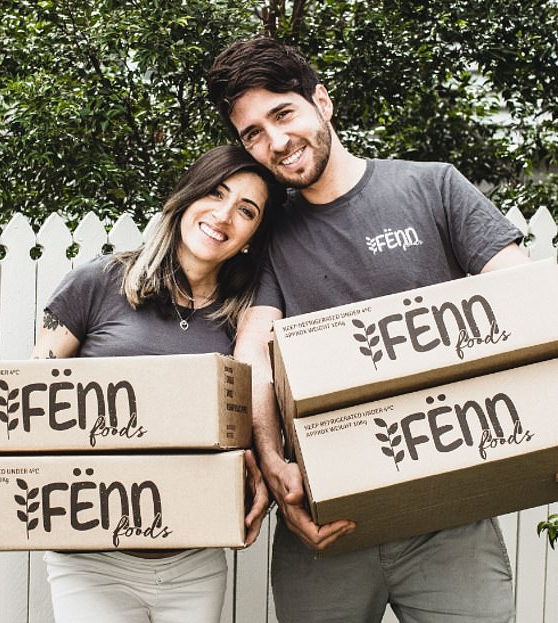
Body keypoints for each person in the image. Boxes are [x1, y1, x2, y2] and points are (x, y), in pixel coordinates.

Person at [207, 36, 531, 623]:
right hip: (325, 522)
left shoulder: (433, 187)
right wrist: (274, 462)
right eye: (253, 132)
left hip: (450, 520)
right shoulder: (269, 234)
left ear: (321, 103)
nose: (276, 142)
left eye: (283, 114)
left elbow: (523, 299)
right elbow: (252, 348)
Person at [30, 144, 286, 623]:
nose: (224, 215)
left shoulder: (243, 323)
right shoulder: (97, 282)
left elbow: (244, 420)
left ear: (252, 236)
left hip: (192, 563)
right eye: (216, 192)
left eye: (246, 211)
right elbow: (36, 404)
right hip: (91, 559)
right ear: (188, 197)